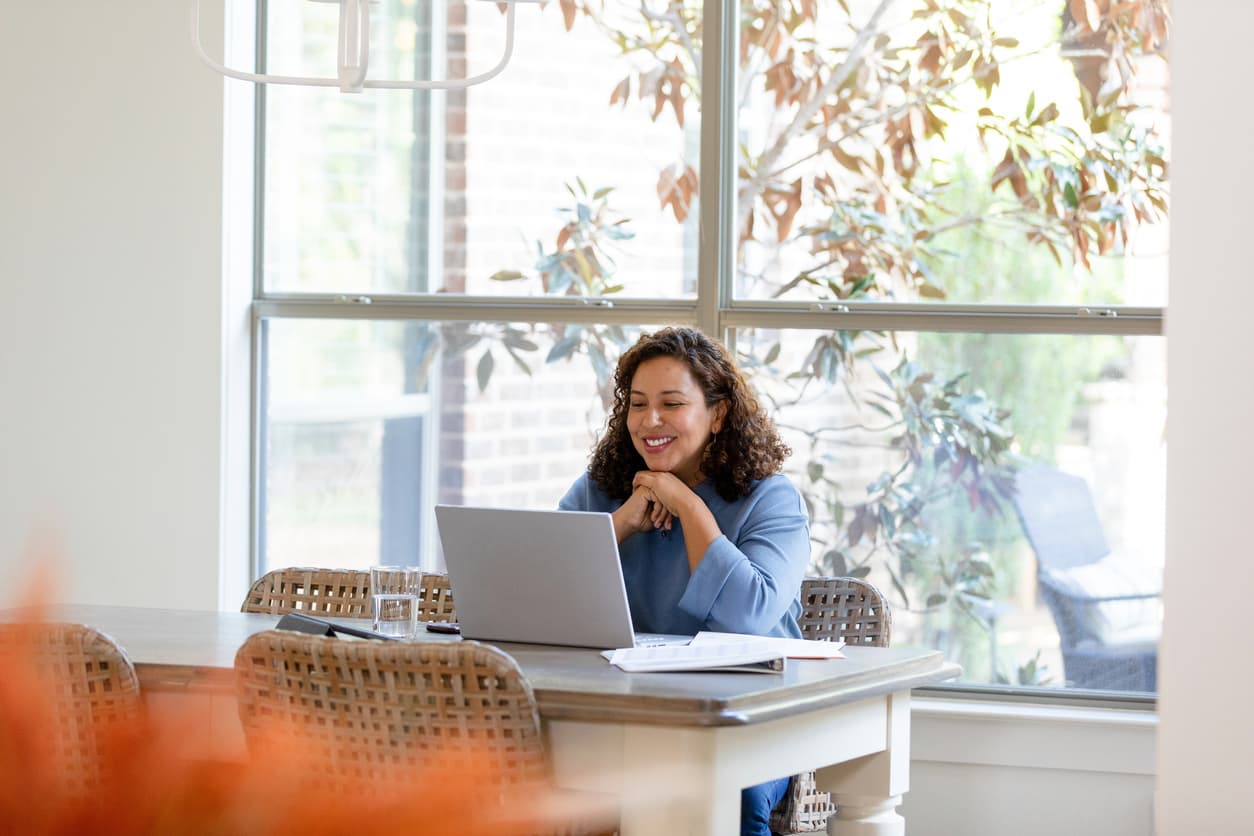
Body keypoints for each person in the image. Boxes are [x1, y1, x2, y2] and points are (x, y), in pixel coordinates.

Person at [559, 326, 809, 836]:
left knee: (727, 792)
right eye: (637, 404)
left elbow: (750, 615)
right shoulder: (599, 492)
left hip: (751, 723)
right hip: (622, 718)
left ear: (717, 414)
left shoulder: (772, 500)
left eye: (672, 404)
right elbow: (545, 595)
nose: (649, 421)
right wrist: (624, 521)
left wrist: (689, 507)